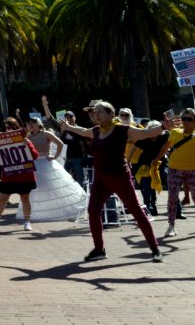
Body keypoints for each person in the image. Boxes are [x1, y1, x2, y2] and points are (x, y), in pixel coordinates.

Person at [56, 100, 165, 262]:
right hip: (101, 178)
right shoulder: (97, 130)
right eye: (94, 112)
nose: (96, 115)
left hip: (119, 176)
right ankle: (99, 249)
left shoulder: (122, 129)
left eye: (99, 112)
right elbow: (83, 131)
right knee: (93, 211)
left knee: (137, 212)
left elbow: (145, 134)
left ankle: (155, 248)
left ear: (110, 114)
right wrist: (68, 127)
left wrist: (164, 126)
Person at [19, 98, 87, 222]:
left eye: (34, 122)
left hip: (46, 163)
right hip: (33, 164)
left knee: (56, 187)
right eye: (30, 123)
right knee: (36, 189)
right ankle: (34, 212)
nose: (31, 124)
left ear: (39, 124)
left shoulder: (46, 134)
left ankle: (65, 209)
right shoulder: (27, 136)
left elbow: (60, 144)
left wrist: (54, 156)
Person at [0, 117, 39, 232]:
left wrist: (27, 145)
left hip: (24, 175)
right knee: (2, 199)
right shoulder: (1, 141)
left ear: (15, 127)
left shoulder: (25, 139)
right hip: (8, 176)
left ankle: (27, 221)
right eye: (5, 127)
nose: (7, 130)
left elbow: (35, 156)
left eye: (10, 127)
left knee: (25, 198)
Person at [159, 108, 195, 238]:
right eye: (184, 118)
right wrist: (156, 159)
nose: (185, 121)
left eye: (189, 119)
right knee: (172, 198)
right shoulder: (174, 132)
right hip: (174, 170)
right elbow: (166, 147)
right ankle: (171, 226)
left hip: (193, 171)